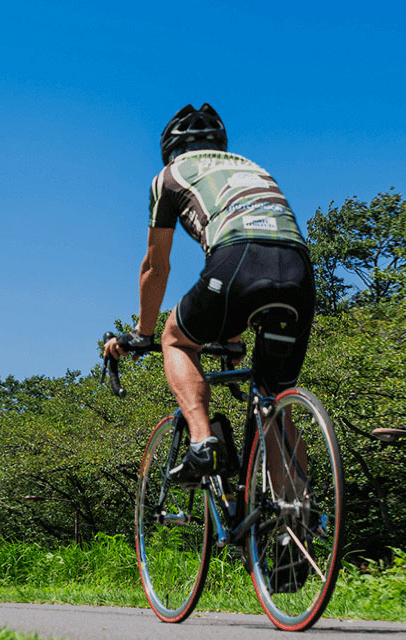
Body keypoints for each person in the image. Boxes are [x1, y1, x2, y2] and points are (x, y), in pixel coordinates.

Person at [104, 103, 315, 486]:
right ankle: (296, 514)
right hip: (298, 270)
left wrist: (142, 333)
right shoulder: (253, 167)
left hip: (237, 257)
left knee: (177, 339)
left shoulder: (168, 176)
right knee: (273, 404)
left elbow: (156, 265)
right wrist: (231, 339)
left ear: (170, 149)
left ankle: (203, 442)